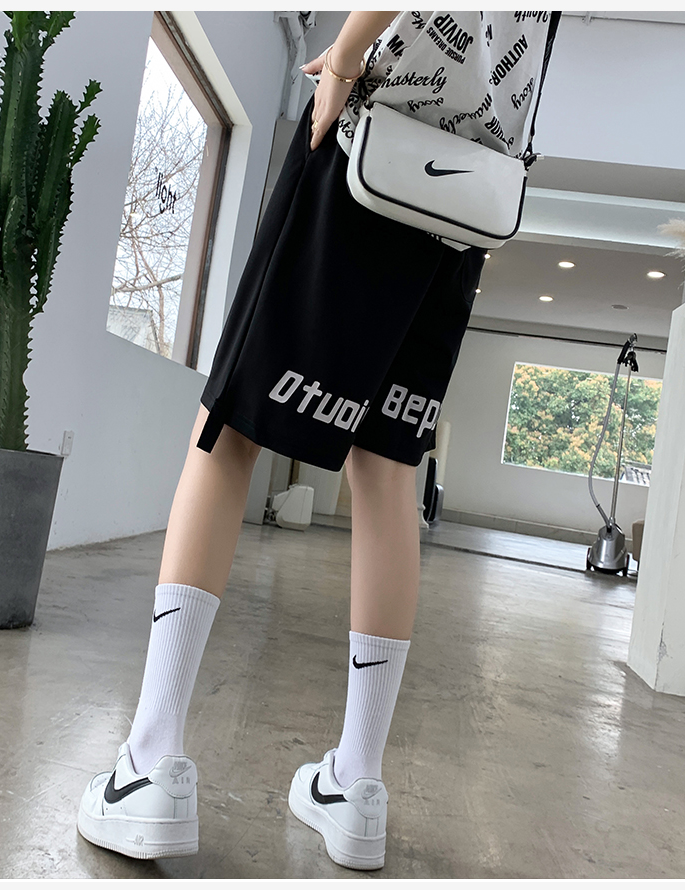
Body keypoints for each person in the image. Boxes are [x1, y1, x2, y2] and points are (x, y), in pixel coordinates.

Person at [77, 10, 561, 871]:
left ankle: (149, 764)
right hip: (468, 202)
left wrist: (342, 57)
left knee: (227, 428)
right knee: (390, 469)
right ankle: (356, 787)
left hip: (372, 150)